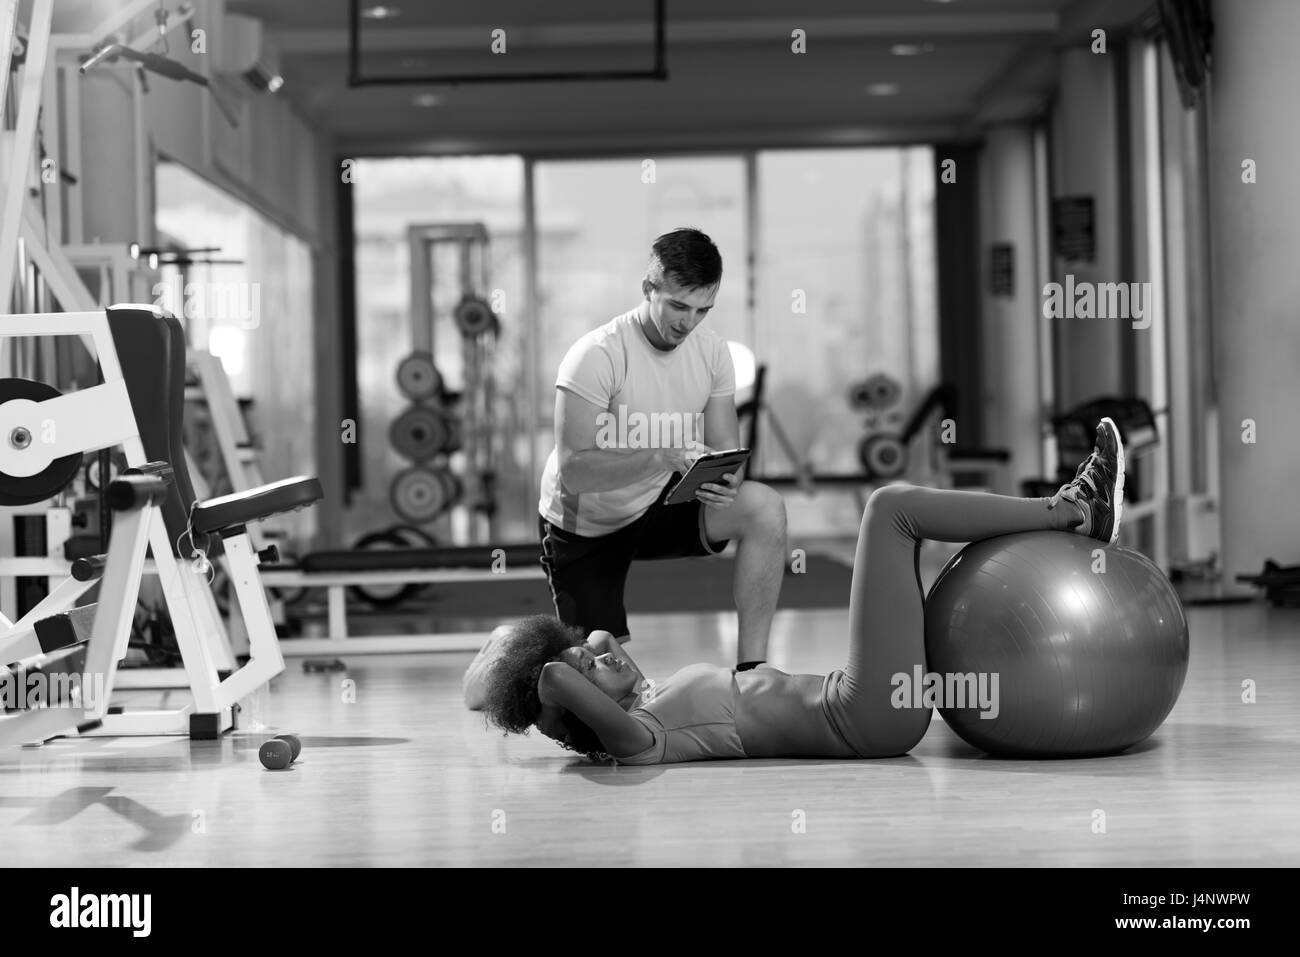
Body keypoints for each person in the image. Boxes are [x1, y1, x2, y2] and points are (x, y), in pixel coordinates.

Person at [477, 419, 1125, 764]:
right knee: (890, 509)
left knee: (892, 516)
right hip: (865, 716)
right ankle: (1070, 509)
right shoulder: (643, 739)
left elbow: (588, 647)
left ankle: (1067, 509)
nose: (598, 650)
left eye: (588, 651)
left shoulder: (649, 695)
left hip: (864, 700)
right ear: (585, 712)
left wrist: (578, 650)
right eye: (588, 671)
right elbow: (559, 685)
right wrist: (546, 673)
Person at [464, 227, 788, 709]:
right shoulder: (596, 356)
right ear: (648, 290)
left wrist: (724, 482)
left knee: (763, 506)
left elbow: (726, 449)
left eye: (702, 310)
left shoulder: (712, 352)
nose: (689, 323)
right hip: (584, 525)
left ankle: (752, 673)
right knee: (605, 692)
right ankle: (505, 650)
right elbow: (576, 471)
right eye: (679, 306)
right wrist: (662, 457)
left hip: (656, 506)